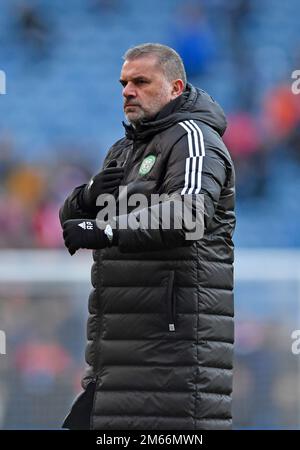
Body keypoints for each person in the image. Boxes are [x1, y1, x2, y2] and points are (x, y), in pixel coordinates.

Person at [59, 43, 236, 430]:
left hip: (171, 360)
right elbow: (72, 223)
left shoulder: (194, 138)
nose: (127, 91)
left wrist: (105, 228)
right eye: (124, 82)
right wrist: (86, 197)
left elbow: (190, 213)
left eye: (141, 81)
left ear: (175, 88)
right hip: (117, 358)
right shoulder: (125, 149)